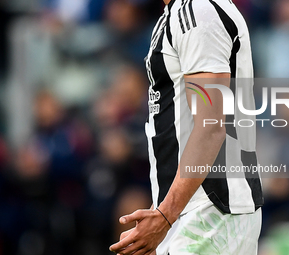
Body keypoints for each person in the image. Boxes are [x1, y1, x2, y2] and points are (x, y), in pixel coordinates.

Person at [110, 0, 263, 254]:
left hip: (210, 210)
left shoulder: (198, 10)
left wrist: (165, 215)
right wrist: (161, 212)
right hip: (191, 211)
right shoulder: (180, 12)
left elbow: (211, 126)